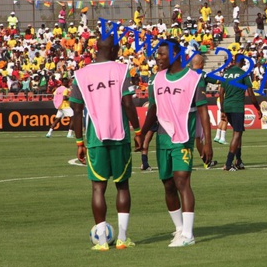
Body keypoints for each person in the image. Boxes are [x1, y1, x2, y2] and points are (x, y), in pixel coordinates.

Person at [69, 34, 142, 251]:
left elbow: (76, 110)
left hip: (95, 137)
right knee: (122, 185)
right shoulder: (121, 70)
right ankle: (122, 238)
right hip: (119, 134)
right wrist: (138, 130)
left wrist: (79, 142)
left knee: (98, 188)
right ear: (114, 49)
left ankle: (101, 242)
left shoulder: (81, 75)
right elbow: (128, 103)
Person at [139, 40, 212, 247]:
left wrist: (207, 143)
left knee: (182, 182)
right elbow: (153, 109)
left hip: (183, 139)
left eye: (162, 54)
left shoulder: (193, 79)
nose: (158, 58)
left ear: (176, 54)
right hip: (162, 139)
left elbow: (203, 112)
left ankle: (188, 235)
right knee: (168, 185)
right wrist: (142, 133)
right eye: (157, 54)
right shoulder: (157, 79)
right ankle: (179, 229)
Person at [219, 54, 262, 171]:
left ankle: (238, 161)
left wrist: (222, 109)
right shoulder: (243, 74)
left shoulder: (226, 73)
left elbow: (221, 92)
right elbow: (251, 93)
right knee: (237, 133)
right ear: (242, 62)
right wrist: (258, 108)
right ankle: (228, 163)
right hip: (237, 106)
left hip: (227, 106)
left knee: (238, 132)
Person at [190, 54, 218, 169]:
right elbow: (217, 80)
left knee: (187, 137)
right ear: (201, 64)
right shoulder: (202, 74)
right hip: (197, 108)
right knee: (198, 137)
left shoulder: (184, 73)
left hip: (182, 109)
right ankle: (206, 161)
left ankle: (204, 161)